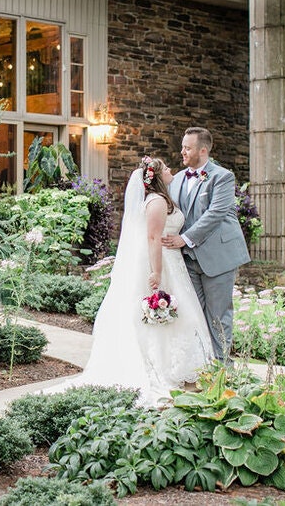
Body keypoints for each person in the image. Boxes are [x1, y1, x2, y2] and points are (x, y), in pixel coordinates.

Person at [46, 156, 213, 406]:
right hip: (163, 263)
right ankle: (160, 368)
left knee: (177, 316)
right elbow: (153, 238)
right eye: (165, 168)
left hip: (173, 262)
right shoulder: (156, 202)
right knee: (160, 317)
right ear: (155, 176)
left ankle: (177, 367)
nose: (170, 170)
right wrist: (156, 272)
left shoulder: (162, 199)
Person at [162, 127, 250, 364]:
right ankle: (200, 363)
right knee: (192, 314)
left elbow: (216, 213)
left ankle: (222, 368)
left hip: (218, 256)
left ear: (202, 150)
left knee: (218, 315)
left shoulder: (222, 176)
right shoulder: (178, 179)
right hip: (188, 259)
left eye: (187, 148)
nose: (182, 151)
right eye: (182, 146)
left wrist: (185, 238)